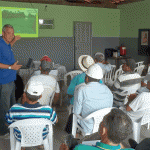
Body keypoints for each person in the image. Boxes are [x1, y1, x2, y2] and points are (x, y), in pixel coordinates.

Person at [5, 80, 58, 149]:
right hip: (41, 137)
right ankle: (39, 144)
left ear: (24, 94)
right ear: (40, 96)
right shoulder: (47, 110)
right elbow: (55, 121)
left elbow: (7, 123)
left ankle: (22, 146)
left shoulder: (14, 109)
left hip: (20, 138)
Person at [60, 108, 134, 150]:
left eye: (102, 121)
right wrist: (117, 136)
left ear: (104, 130)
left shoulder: (81, 148)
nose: (100, 122)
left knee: (70, 141)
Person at [73, 64, 113, 134]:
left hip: (88, 127)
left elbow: (76, 112)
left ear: (87, 78)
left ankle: (74, 136)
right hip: (105, 125)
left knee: (73, 116)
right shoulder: (107, 89)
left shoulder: (82, 90)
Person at [0, 24, 22, 135]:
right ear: (3, 33)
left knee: (12, 105)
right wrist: (10, 67)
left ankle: (11, 127)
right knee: (4, 107)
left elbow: (9, 45)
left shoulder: (6, 43)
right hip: (3, 81)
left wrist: (14, 40)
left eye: (12, 33)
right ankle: (3, 132)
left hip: (11, 80)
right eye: (9, 33)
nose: (11, 36)